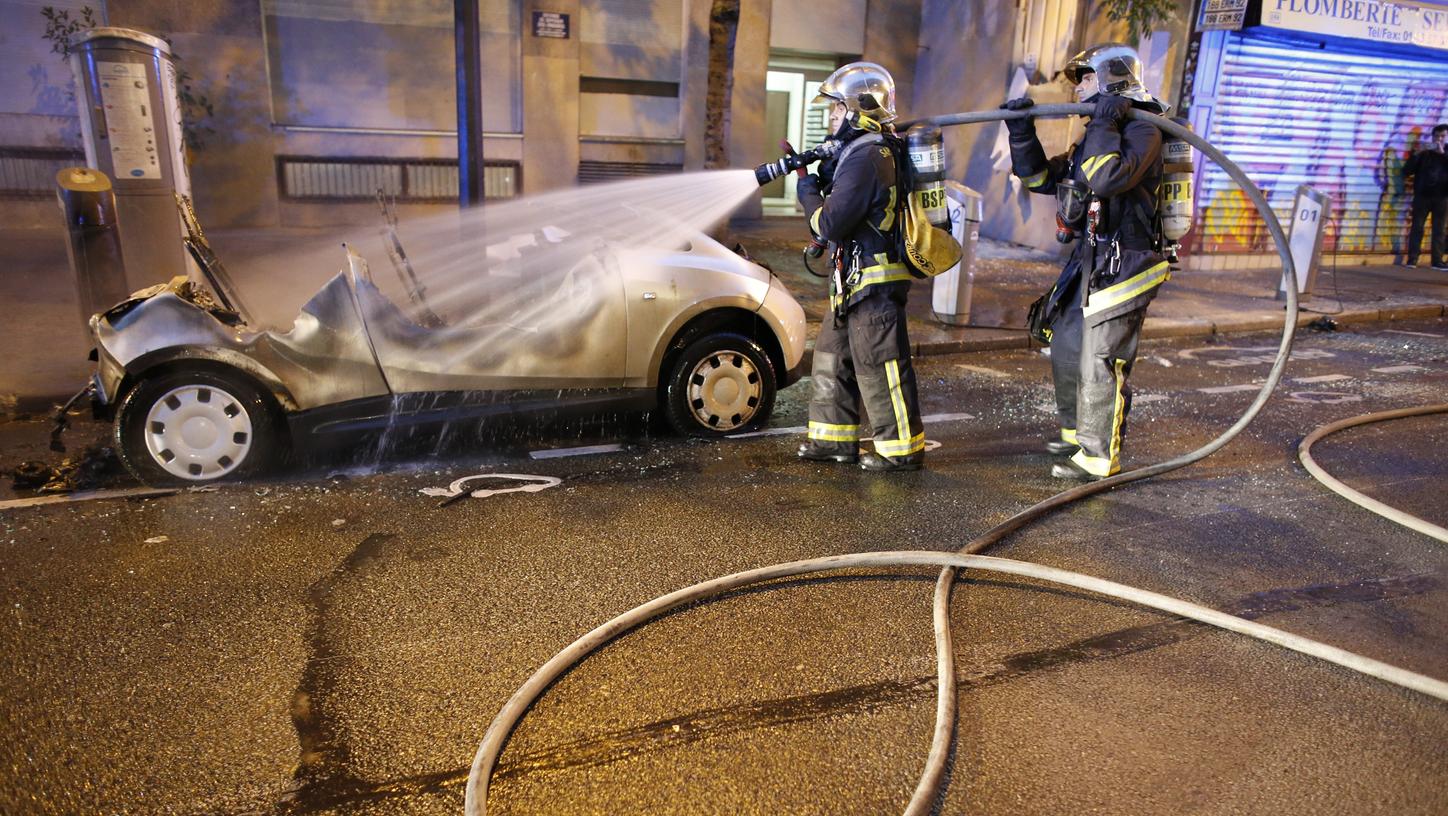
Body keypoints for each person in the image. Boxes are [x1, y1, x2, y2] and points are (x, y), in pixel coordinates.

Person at [1002, 43, 1170, 481]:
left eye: (1087, 78)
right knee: (1068, 346)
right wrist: (1021, 132)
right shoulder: (1100, 131)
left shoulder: (1142, 131)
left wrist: (1106, 121)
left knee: (1101, 358)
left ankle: (1098, 457)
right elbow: (1042, 180)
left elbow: (1105, 177)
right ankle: (1077, 433)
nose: (1078, 89)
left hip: (1125, 261)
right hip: (1090, 259)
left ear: (1111, 80)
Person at [794, 62, 925, 472]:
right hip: (851, 281)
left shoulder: (869, 155)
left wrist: (807, 192)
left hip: (874, 281)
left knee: (880, 366)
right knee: (832, 360)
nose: (829, 117)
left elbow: (832, 222)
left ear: (856, 109)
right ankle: (833, 441)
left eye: (835, 110)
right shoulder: (860, 152)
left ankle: (901, 449)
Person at [1402, 123, 1448, 269]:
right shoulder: (1423, 152)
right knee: (1417, 227)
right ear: (1432, 137)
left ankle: (1437, 261)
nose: (1439, 139)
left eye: (1442, 136)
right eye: (1436, 136)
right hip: (1422, 196)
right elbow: (1407, 171)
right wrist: (1416, 154)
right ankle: (1412, 259)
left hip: (1442, 196)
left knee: (1439, 229)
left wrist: (1443, 155)